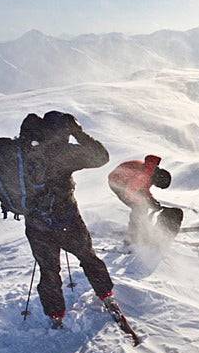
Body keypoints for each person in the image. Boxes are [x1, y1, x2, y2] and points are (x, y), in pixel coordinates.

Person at [22, 111, 119, 330]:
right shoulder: (63, 153)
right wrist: (79, 133)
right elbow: (101, 157)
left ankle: (56, 315)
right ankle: (106, 295)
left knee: (48, 270)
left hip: (36, 225)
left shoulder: (25, 152)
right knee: (88, 257)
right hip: (66, 221)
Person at [107, 155, 182, 247]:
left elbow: (143, 189)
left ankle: (142, 229)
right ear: (158, 179)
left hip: (126, 182)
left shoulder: (149, 171)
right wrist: (145, 203)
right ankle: (133, 237)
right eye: (157, 185)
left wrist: (152, 200)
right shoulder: (143, 176)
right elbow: (130, 192)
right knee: (139, 207)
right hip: (117, 183)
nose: (155, 185)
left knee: (142, 205)